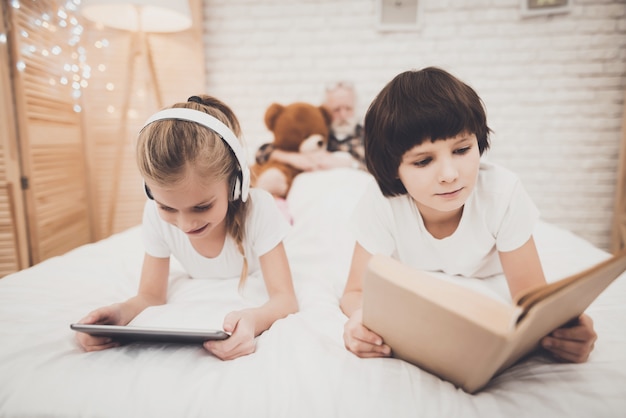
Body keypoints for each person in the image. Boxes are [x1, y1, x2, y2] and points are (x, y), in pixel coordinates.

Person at [340, 67, 597, 364]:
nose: (450, 175)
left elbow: (532, 300)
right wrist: (362, 321)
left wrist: (566, 332)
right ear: (393, 170)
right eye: (423, 161)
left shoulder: (503, 194)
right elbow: (355, 291)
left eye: (462, 149)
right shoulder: (382, 202)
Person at [75, 95, 298, 360]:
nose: (185, 224)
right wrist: (120, 313)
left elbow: (285, 299)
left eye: (202, 207)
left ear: (234, 184)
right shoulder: (153, 215)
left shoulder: (259, 208)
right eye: (167, 208)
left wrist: (254, 319)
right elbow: (150, 295)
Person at [254, 81, 366, 174]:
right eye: (336, 110)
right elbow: (262, 153)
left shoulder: (367, 136)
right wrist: (292, 158)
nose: (343, 116)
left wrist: (349, 163)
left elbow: (380, 170)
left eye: (348, 109)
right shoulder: (317, 134)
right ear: (326, 111)